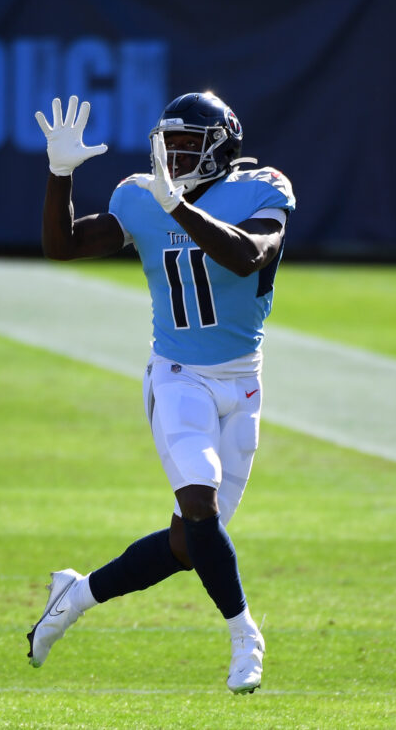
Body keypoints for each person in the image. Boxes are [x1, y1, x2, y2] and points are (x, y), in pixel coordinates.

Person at [26, 92, 295, 694]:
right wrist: (59, 174)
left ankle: (77, 594)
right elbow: (61, 244)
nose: (172, 155)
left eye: (186, 145)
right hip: (177, 377)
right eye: (167, 143)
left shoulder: (263, 189)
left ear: (222, 148)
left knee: (189, 542)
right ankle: (244, 632)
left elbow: (249, 255)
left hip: (243, 381)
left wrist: (180, 208)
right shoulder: (140, 196)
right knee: (198, 506)